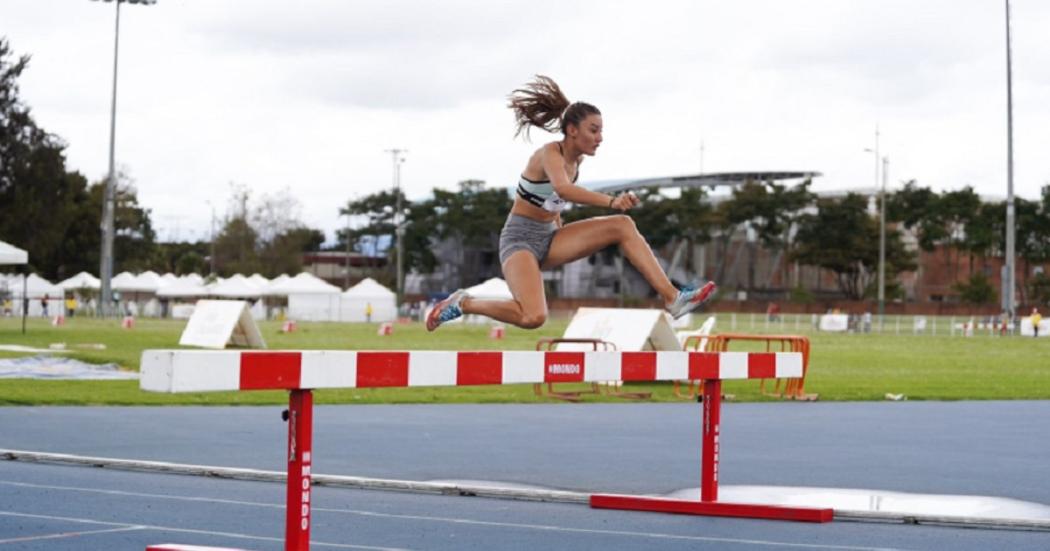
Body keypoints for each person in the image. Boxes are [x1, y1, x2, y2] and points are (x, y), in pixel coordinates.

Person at [427, 75, 716, 331]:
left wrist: (557, 221)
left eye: (601, 131)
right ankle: (464, 303)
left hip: (550, 239)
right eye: (594, 130)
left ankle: (673, 298)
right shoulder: (548, 153)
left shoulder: (576, 162)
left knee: (622, 225)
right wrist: (612, 201)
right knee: (533, 317)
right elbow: (563, 190)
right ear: (572, 130)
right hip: (519, 242)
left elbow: (553, 201)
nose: (600, 138)